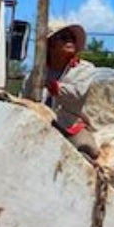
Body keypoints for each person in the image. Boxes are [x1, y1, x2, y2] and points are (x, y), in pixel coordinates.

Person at [44, 21, 99, 160]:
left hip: (69, 125)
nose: (69, 40)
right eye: (63, 37)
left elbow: (77, 93)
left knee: (88, 149)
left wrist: (54, 87)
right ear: (50, 45)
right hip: (40, 122)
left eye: (72, 38)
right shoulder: (37, 72)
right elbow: (26, 99)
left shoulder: (84, 69)